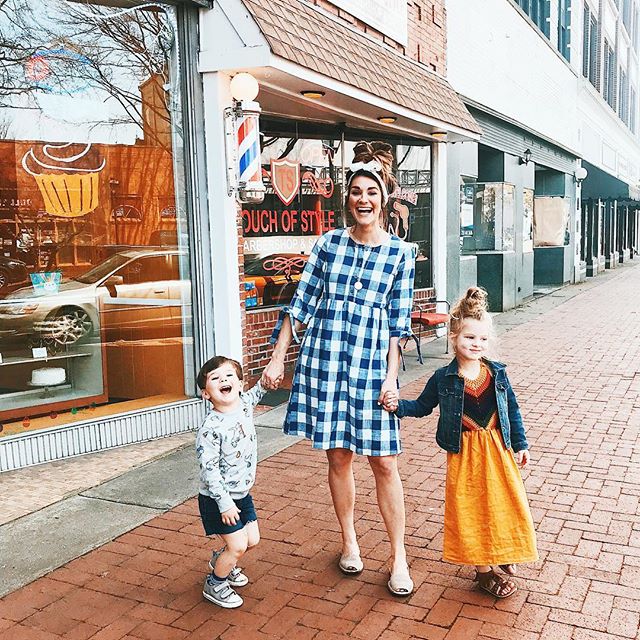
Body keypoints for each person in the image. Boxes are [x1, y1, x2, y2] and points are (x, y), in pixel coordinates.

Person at [262, 141, 417, 596]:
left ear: (384, 199)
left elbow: (397, 323)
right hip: (326, 359)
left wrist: (392, 377)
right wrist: (276, 358)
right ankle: (349, 541)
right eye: (355, 192)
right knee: (338, 455)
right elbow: (301, 304)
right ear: (346, 198)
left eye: (371, 192)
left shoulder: (400, 255)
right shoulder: (328, 244)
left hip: (371, 365)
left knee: (385, 462)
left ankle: (399, 557)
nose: (362, 199)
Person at [382, 287, 538, 598]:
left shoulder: (497, 374)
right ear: (454, 337)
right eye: (469, 338)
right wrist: (398, 405)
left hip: (498, 451)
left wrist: (521, 444)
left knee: (504, 502)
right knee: (470, 509)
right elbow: (423, 407)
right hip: (465, 454)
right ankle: (483, 571)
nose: (476, 344)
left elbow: (512, 410)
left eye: (482, 339)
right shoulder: (443, 378)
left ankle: (502, 550)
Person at [195, 356, 266, 608]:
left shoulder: (244, 404)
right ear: (206, 393)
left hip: (242, 494)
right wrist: (224, 504)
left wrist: (273, 370)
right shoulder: (210, 428)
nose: (223, 380)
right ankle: (215, 583)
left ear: (240, 383)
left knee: (252, 541)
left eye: (229, 376)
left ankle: (222, 559)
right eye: (215, 378)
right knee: (237, 546)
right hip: (218, 499)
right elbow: (209, 470)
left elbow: (263, 387)